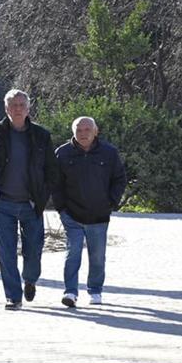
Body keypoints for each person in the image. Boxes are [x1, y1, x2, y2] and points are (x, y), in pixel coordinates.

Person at [0, 89, 59, 310]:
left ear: (29, 108)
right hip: (4, 204)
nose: (18, 109)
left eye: (22, 105)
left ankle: (30, 279)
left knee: (33, 249)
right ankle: (13, 296)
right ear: (6, 109)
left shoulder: (41, 135)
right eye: (13, 105)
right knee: (6, 252)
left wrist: (42, 196)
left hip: (31, 204)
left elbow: (52, 170)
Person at [52, 117, 127, 308]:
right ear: (73, 132)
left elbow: (119, 179)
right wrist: (61, 208)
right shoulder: (63, 153)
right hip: (72, 214)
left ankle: (95, 291)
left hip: (99, 215)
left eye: (87, 129)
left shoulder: (109, 153)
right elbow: (55, 183)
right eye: (79, 130)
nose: (83, 134)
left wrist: (110, 202)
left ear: (96, 131)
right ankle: (70, 291)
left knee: (97, 256)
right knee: (73, 253)